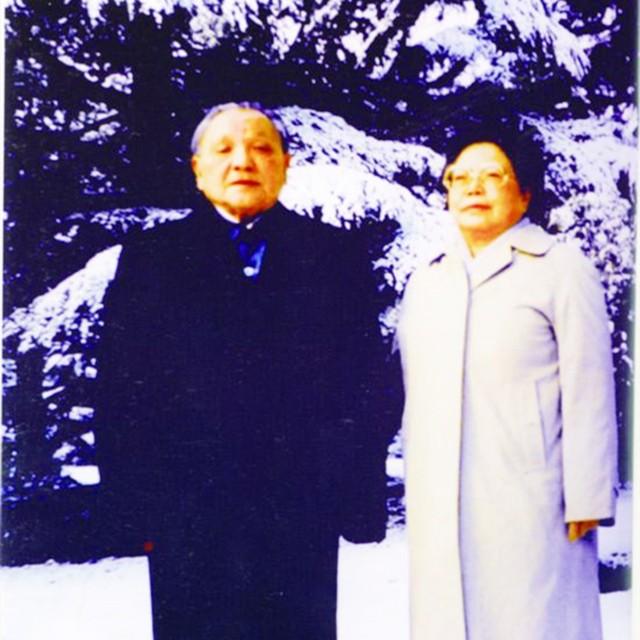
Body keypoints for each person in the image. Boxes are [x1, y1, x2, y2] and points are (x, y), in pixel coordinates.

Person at [93, 103, 396, 640]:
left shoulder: (333, 255)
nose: (243, 162)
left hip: (300, 514)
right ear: (197, 169)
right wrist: (132, 511)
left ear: (285, 164)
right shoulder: (152, 259)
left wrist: (355, 496)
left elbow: (364, 382)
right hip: (189, 518)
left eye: (260, 148)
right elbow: (121, 391)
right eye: (224, 149)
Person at [397, 125, 618, 640]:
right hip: (441, 497)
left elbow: (590, 387)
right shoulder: (427, 278)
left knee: (533, 621)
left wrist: (587, 496)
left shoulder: (560, 268)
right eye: (460, 178)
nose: (473, 188)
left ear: (524, 193)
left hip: (533, 497)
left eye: (492, 176)